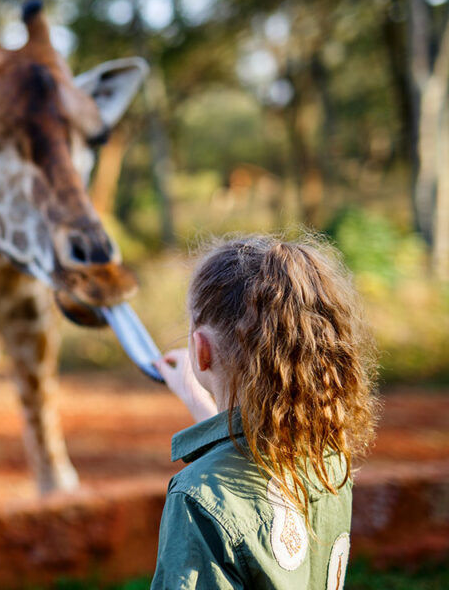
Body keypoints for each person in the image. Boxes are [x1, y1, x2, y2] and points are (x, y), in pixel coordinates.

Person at [150, 235, 379, 589]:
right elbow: (253, 458)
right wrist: (198, 399)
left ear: (200, 350)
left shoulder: (200, 497)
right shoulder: (327, 454)